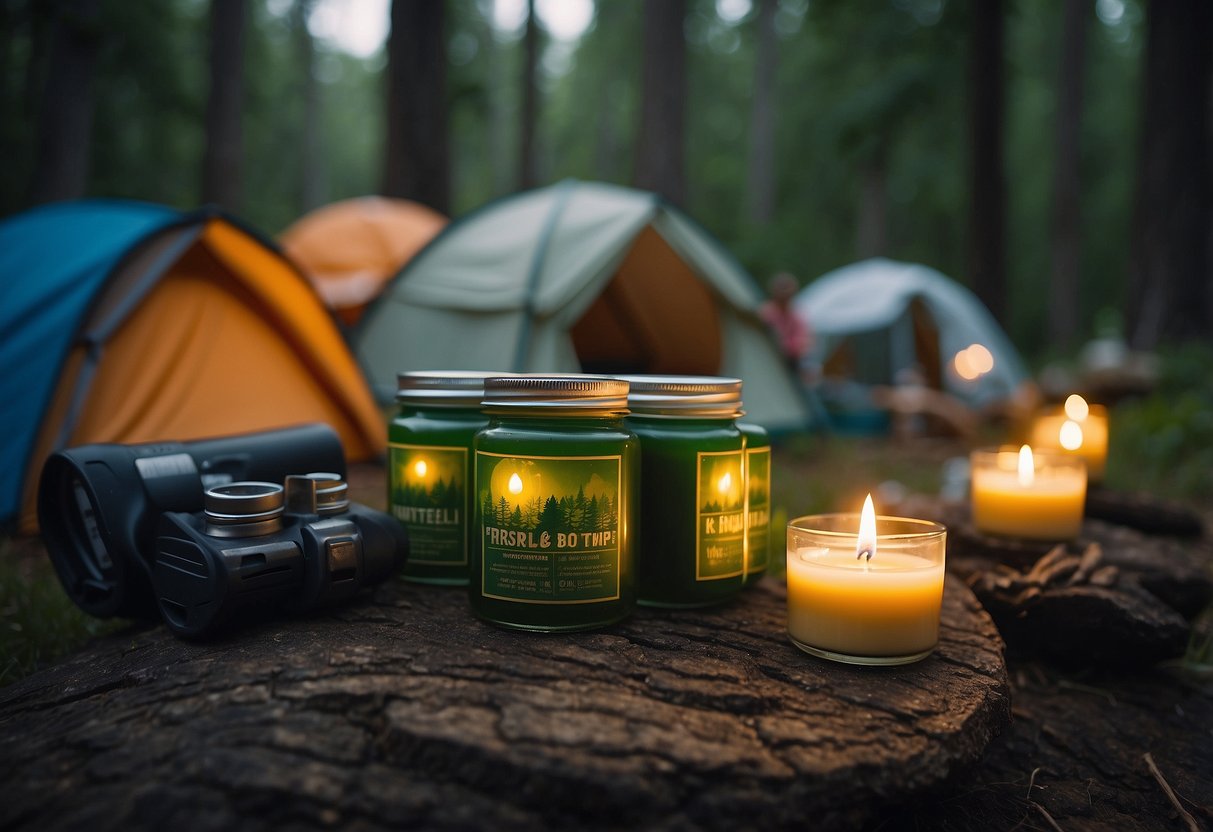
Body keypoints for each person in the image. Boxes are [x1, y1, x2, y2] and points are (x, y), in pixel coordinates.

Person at [759, 272, 812, 375]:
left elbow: (803, 344)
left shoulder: (796, 315)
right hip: (767, 360)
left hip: (790, 362)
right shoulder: (766, 313)